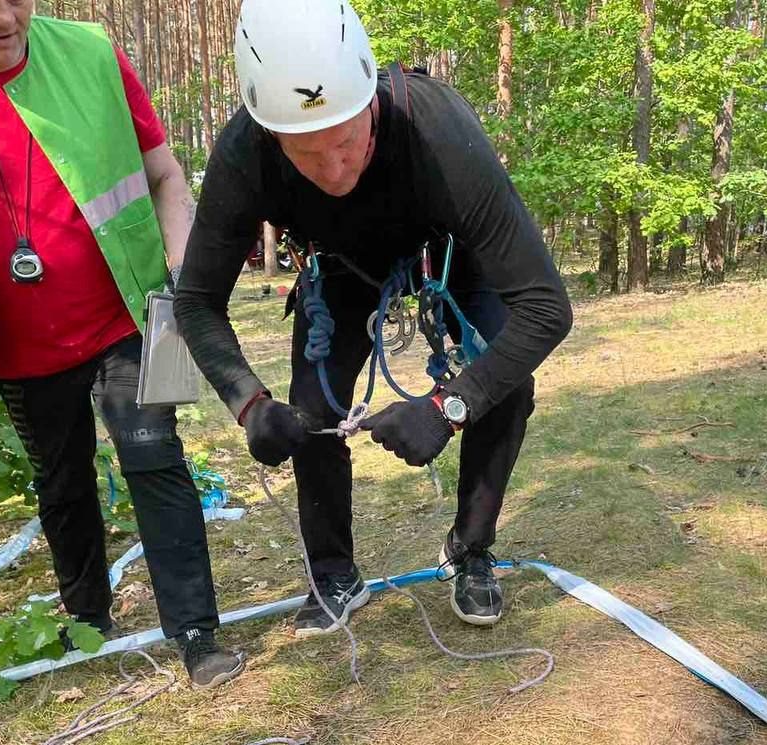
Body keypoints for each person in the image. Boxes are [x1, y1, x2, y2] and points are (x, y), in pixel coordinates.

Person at [0, 0, 243, 688]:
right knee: (61, 482)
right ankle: (89, 623)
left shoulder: (91, 53)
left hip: (142, 310)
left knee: (157, 455)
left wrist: (185, 285)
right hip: (15, 342)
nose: (5, 18)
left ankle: (198, 634)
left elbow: (165, 175)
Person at [174, 0, 573, 636]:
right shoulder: (244, 152)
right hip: (339, 267)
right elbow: (195, 300)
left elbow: (547, 308)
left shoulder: (436, 127)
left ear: (370, 103)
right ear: (272, 135)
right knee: (310, 406)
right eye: (306, 155)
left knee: (506, 384)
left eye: (347, 140)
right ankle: (334, 571)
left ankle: (470, 549)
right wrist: (248, 403)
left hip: (447, 253)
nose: (336, 170)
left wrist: (449, 406)